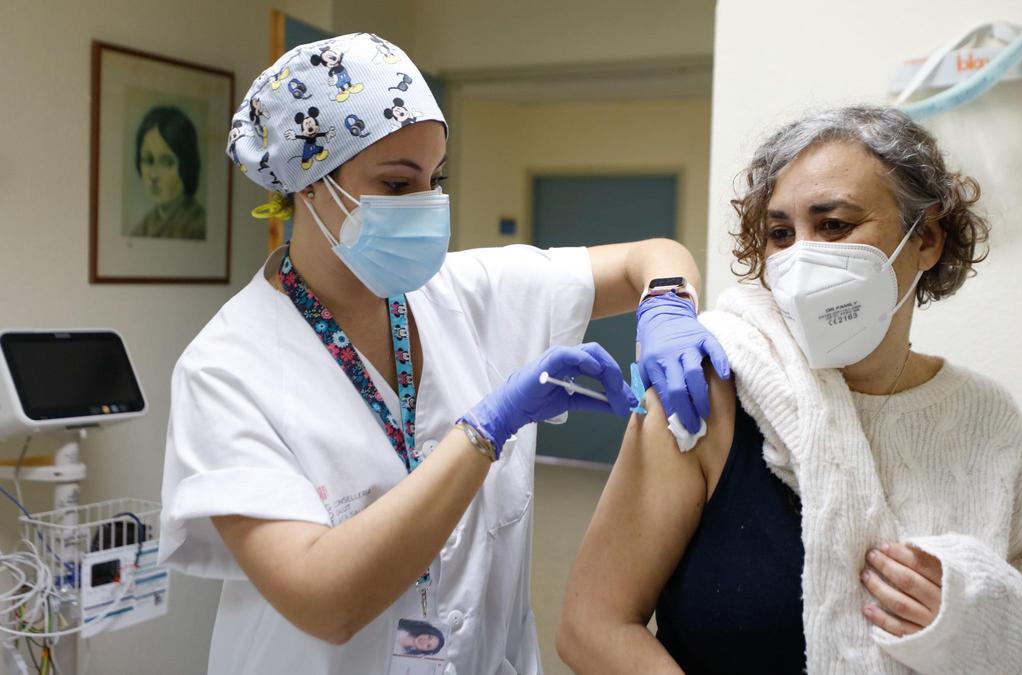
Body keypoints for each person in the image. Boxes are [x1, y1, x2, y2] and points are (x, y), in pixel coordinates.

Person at [158, 33, 727, 675]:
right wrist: (486, 430)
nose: (428, 207)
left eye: (435, 180)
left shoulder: (463, 292)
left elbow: (647, 257)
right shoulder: (227, 369)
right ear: (308, 181)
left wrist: (668, 304)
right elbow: (325, 600)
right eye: (399, 185)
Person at [558, 106, 1022, 674]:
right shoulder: (713, 386)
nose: (802, 258)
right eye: (779, 234)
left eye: (835, 225)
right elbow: (592, 626)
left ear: (928, 240)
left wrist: (976, 617)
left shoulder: (985, 419)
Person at [129, 106, 206, 240]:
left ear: (186, 166)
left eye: (166, 162)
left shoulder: (198, 227)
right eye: (148, 160)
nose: (153, 175)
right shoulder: (141, 229)